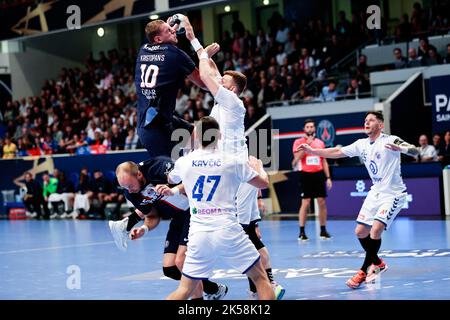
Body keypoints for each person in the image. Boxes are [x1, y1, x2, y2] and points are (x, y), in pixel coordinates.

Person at [183, 18, 285, 299]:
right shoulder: (222, 103)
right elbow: (213, 73)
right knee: (250, 231)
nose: (219, 82)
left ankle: (267, 285)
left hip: (237, 173)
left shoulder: (232, 102)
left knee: (246, 231)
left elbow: (208, 75)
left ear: (232, 89)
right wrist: (198, 46)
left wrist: (197, 46)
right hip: (230, 170)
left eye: (224, 83)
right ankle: (264, 286)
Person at [297, 111, 419, 288]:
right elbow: (337, 151)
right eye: (365, 120)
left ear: (381, 125)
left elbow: (415, 150)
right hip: (375, 192)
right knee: (360, 232)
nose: (367, 123)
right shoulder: (361, 144)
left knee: (375, 231)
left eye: (371, 120)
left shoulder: (390, 140)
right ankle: (378, 263)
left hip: (393, 194)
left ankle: (364, 271)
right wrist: (313, 150)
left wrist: (403, 148)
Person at [158, 117, 275, 300]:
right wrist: (258, 167)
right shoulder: (233, 161)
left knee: (184, 290)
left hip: (198, 234)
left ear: (196, 136)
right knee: (261, 279)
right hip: (227, 229)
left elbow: (172, 179)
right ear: (219, 136)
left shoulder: (184, 161)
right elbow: (264, 183)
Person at [109, 157, 227, 300]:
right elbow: (152, 216)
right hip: (178, 218)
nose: (129, 190)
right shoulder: (132, 194)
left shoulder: (158, 166)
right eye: (125, 187)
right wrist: (144, 228)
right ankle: (213, 289)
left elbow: (193, 180)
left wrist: (174, 189)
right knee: (170, 269)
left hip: (195, 211)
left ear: (139, 174)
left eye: (130, 185)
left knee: (182, 262)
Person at [134, 18, 211, 158]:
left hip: (156, 119)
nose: (174, 31)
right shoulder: (175, 55)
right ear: (158, 39)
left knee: (198, 136)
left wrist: (166, 29)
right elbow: (205, 84)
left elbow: (159, 45)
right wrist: (205, 56)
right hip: (154, 130)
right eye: (169, 31)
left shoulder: (143, 50)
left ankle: (201, 167)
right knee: (170, 177)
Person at [292, 119, 332, 241]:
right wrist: (306, 147)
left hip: (319, 174)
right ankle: (302, 232)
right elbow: (295, 161)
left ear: (314, 129)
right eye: (307, 127)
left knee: (322, 202)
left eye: (311, 127)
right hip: (305, 174)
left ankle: (323, 230)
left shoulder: (320, 143)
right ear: (304, 129)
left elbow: (324, 160)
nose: (310, 129)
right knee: (306, 202)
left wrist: (328, 177)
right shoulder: (298, 142)